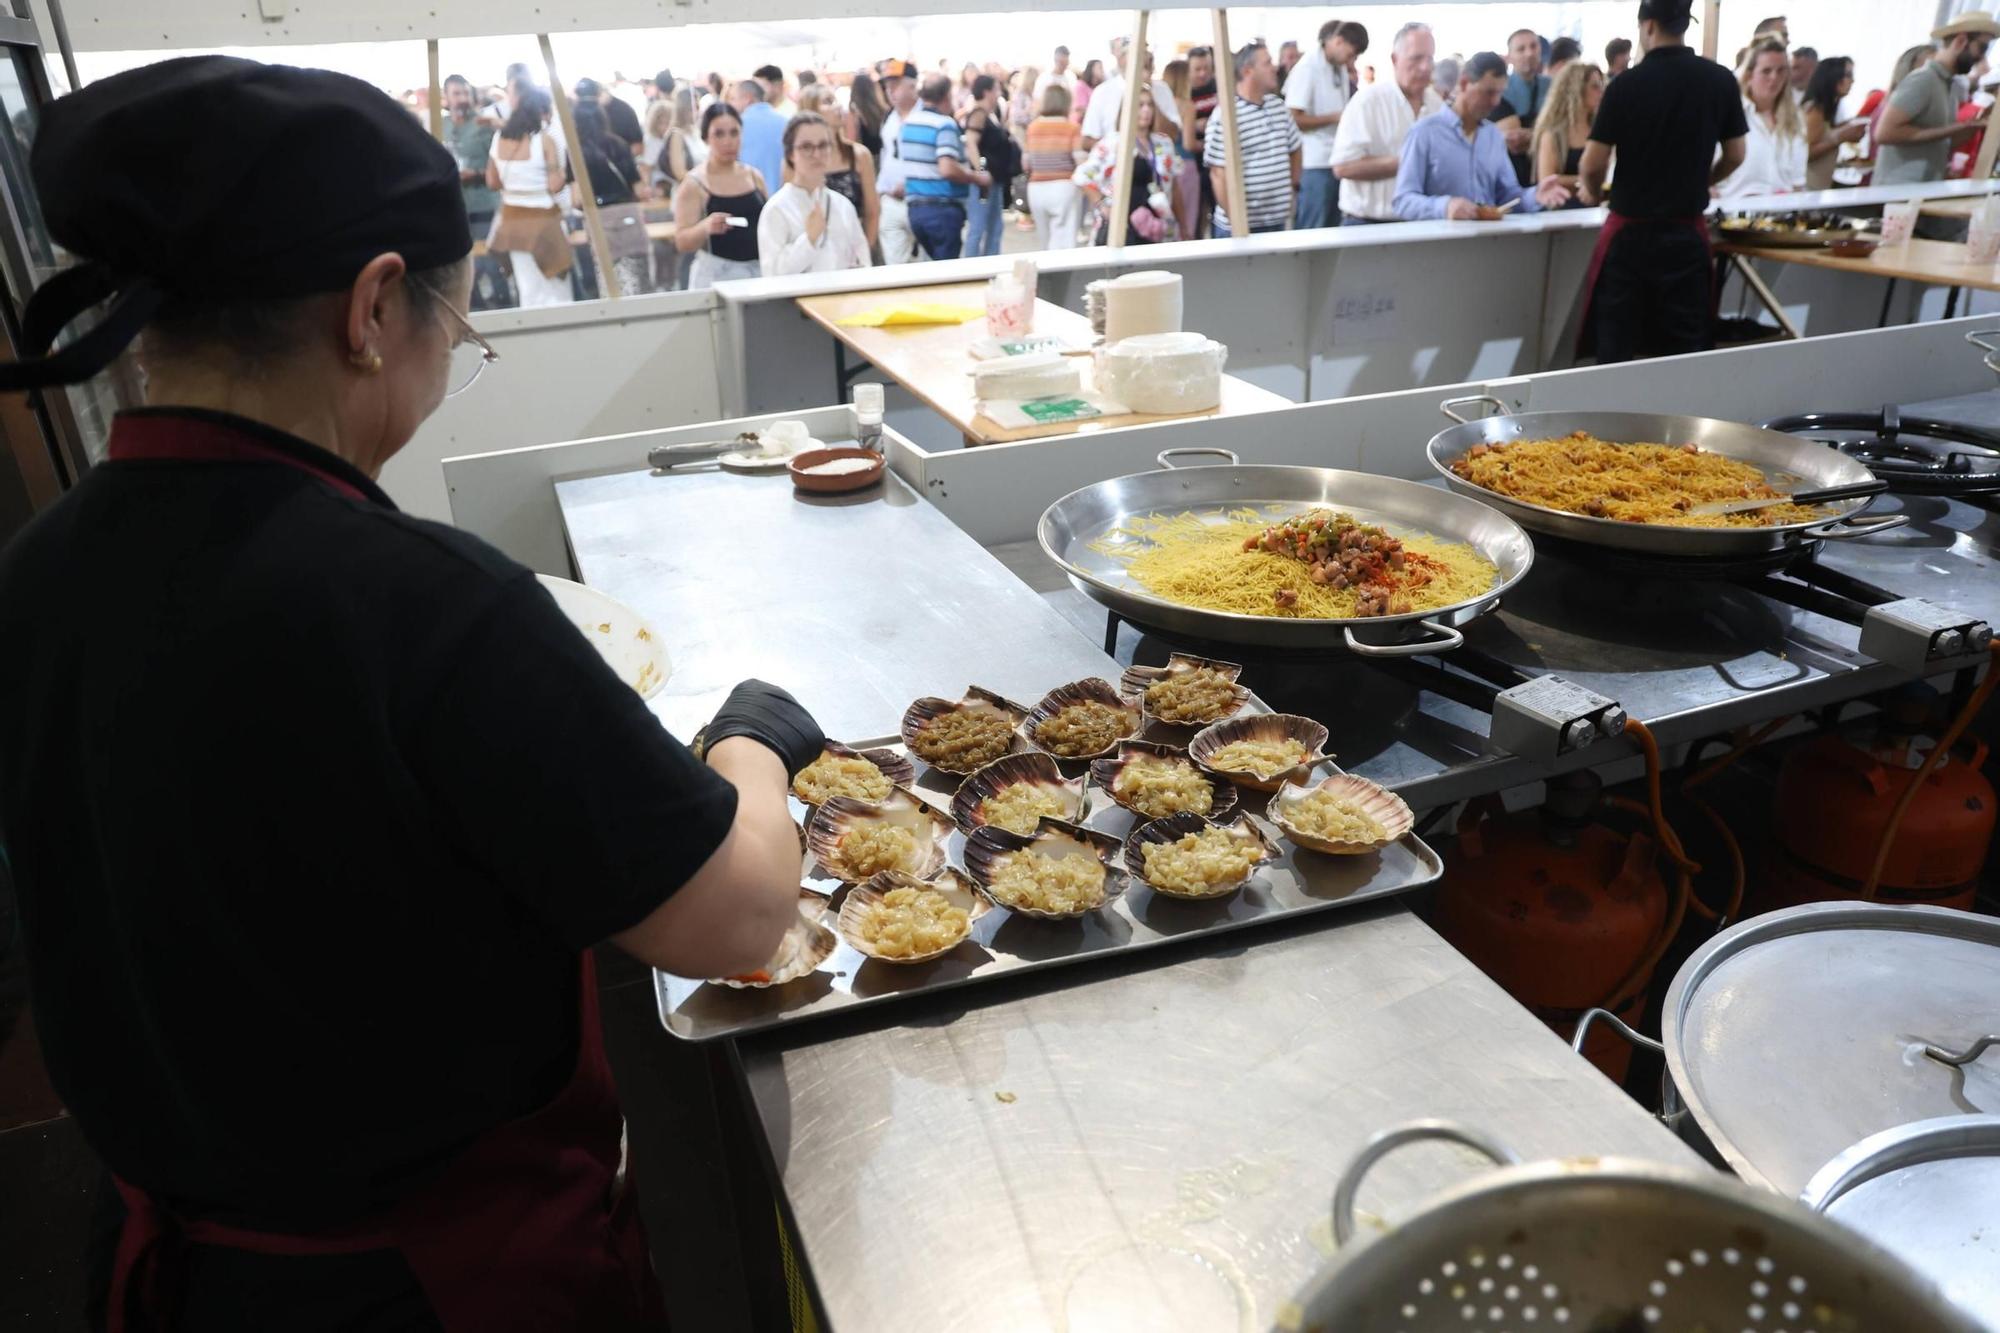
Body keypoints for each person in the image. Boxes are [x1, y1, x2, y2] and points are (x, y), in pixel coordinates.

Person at [0, 53, 824, 1332]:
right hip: (426, 1290)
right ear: (373, 307)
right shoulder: (425, 601)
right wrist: (749, 744)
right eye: (456, 323)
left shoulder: (36, 572)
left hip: (175, 1274)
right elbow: (737, 920)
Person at [1574, 0, 1747, 363]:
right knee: (1685, 354)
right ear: (1686, 24)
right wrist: (1703, 178)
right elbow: (1735, 154)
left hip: (1630, 239)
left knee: (1617, 350)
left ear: (1647, 26)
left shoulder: (1626, 85)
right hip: (1686, 238)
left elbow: (1593, 161)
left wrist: (1590, 189)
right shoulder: (1719, 80)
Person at [1395, 52, 1570, 220]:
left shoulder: (1493, 135)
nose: (1495, 102)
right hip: (1439, 246)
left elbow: (1509, 196)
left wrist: (1535, 196)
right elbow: (1403, 201)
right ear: (1464, 84)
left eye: (1500, 93)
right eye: (1488, 92)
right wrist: (1444, 207)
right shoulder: (1423, 133)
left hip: (1488, 244)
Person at [1331, 22, 1442, 224]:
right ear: (1394, 59)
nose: (1425, 67)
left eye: (1430, 59)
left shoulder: (1437, 105)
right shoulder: (1368, 102)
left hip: (1422, 223)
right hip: (1367, 223)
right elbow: (1343, 166)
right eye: (1416, 58)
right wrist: (1409, 162)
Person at [1875, 13, 1998, 185]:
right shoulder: (1923, 79)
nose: (1982, 59)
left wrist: (1972, 127)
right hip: (1896, 190)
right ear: (1960, 41)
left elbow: (1939, 143)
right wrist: (1955, 128)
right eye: (1982, 49)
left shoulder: (1950, 86)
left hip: (1921, 190)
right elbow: (1884, 133)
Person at [485, 90, 574, 307]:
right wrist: (563, 174)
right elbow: (554, 185)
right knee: (557, 292)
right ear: (540, 113)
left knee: (528, 291)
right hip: (544, 221)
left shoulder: (498, 139)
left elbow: (492, 182)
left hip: (513, 223)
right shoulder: (544, 140)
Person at [1204, 41, 1300, 238]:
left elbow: (1295, 148)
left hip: (1276, 221)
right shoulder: (1226, 115)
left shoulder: (1278, 107)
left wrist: (1291, 187)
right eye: (1267, 63)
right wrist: (1236, 219)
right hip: (1239, 227)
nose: (1275, 67)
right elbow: (1218, 173)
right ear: (1248, 71)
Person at [759, 112, 870, 275]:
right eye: (806, 147)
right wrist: (809, 240)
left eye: (823, 145)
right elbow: (772, 274)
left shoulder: (842, 205)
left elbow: (863, 262)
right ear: (791, 154)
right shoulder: (776, 209)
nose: (817, 154)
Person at [674, 101, 766, 287]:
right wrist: (705, 227)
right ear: (706, 138)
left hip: (758, 273)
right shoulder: (694, 184)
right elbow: (682, 241)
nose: (727, 141)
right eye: (719, 134)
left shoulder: (753, 176)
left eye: (734, 133)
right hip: (716, 277)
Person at [1287, 19, 1368, 229]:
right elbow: (1293, 118)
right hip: (1315, 163)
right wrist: (1334, 117)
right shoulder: (1307, 68)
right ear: (1338, 42)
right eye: (1350, 54)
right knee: (1313, 229)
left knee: (1333, 229)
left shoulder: (1338, 66)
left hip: (1336, 159)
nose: (1351, 61)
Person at [902, 73, 988, 261]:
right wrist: (976, 177)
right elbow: (947, 168)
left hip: (915, 207)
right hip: (941, 208)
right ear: (946, 96)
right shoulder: (944, 124)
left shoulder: (909, 122)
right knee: (946, 268)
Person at [1076, 86, 1178, 244]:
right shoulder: (1112, 144)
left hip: (1154, 224)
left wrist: (1182, 226)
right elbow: (1081, 177)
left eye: (1150, 105)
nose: (1146, 110)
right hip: (1121, 227)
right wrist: (1103, 205)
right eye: (1140, 105)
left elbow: (1175, 185)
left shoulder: (1163, 143)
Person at [1719, 37, 1807, 199]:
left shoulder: (1795, 119)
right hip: (1735, 212)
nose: (1774, 78)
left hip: (1782, 214)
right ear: (1749, 75)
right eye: (1766, 71)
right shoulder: (1730, 113)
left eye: (1781, 71)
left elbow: (1798, 183)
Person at [797, 83, 879, 255]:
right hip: (815, 253)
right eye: (828, 101)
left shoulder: (858, 155)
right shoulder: (797, 160)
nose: (838, 106)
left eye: (835, 100)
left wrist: (864, 252)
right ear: (812, 111)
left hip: (857, 249)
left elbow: (872, 211)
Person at [1081, 36, 1180, 149]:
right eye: (1134, 54)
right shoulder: (1103, 92)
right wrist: (1117, 150)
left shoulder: (1161, 89)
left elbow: (1174, 134)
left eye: (1145, 52)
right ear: (1120, 58)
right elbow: (1087, 140)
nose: (1142, 58)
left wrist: (1148, 92)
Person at [961, 75, 1017, 257]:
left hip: (995, 179)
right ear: (987, 92)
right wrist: (981, 172)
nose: (998, 94)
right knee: (978, 227)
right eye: (996, 90)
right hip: (984, 182)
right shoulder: (978, 114)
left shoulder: (989, 115)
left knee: (994, 226)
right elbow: (971, 143)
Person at [1533, 61, 1604, 201]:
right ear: (1577, 90)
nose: (1601, 92)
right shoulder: (1553, 134)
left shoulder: (1600, 127)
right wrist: (1584, 180)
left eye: (1601, 86)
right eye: (1595, 87)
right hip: (1563, 206)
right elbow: (1547, 179)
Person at [1025, 82, 1084, 248]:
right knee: (1064, 241)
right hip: (1064, 186)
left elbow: (1026, 162)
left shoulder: (1032, 128)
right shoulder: (1071, 128)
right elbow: (1079, 161)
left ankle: (1047, 273)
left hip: (1036, 188)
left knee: (1046, 242)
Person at [875, 60, 920, 264]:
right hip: (891, 199)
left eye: (896, 85)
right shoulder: (889, 118)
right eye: (887, 87)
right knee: (895, 263)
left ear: (912, 86)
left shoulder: (928, 117)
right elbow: (887, 155)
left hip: (921, 200)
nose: (890, 91)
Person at [442, 75, 497, 233]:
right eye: (457, 93)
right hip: (453, 207)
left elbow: (501, 167)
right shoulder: (441, 125)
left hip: (483, 206)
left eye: (466, 93)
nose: (463, 98)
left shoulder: (484, 124)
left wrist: (476, 174)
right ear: (446, 97)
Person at [1801, 56, 1864, 190]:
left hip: (1819, 184)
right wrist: (1841, 137)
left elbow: (1824, 134)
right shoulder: (1815, 109)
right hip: (1809, 186)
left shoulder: (1827, 109)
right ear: (1832, 77)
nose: (1852, 81)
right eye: (1848, 75)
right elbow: (1807, 153)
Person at [1182, 45, 1222, 238]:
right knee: (1195, 214)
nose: (1203, 73)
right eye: (1197, 69)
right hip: (1192, 164)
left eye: (1207, 68)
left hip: (1216, 162)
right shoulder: (1184, 94)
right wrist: (1192, 125)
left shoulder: (1219, 88)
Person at [731, 79, 787, 201]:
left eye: (734, 98)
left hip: (751, 200)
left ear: (748, 98)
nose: (732, 104)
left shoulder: (736, 127)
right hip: (784, 201)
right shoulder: (786, 122)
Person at [576, 76, 644, 156]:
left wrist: (623, 160)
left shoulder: (624, 110)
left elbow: (638, 145)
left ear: (602, 93)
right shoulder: (584, 113)